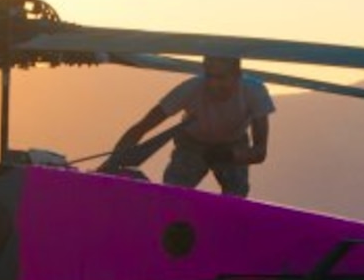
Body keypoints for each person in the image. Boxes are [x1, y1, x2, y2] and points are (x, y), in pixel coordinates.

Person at [110, 56, 274, 196]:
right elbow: (142, 127)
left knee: (237, 196)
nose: (213, 84)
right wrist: (112, 162)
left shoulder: (255, 92)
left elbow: (259, 153)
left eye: (221, 78)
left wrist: (225, 155)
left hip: (232, 148)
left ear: (237, 75)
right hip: (191, 144)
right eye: (209, 76)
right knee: (171, 195)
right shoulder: (190, 88)